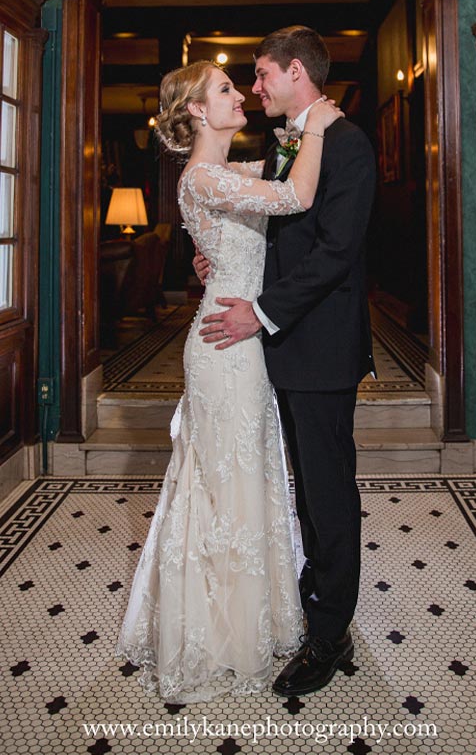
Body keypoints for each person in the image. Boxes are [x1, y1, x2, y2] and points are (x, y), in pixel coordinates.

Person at [116, 59, 343, 703]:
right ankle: (215, 631)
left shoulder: (225, 173)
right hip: (224, 345)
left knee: (247, 477)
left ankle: (252, 613)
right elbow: (294, 196)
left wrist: (299, 134)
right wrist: (319, 126)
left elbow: (269, 184)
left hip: (244, 334)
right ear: (195, 111)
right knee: (223, 483)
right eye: (224, 89)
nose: (239, 94)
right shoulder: (204, 175)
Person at [197, 26, 376, 697]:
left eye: (264, 74)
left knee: (328, 492)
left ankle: (330, 634)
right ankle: (313, 594)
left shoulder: (347, 143)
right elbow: (280, 234)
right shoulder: (289, 146)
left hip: (322, 349)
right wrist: (225, 264)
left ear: (297, 72)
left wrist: (260, 312)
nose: (256, 86)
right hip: (287, 345)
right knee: (304, 483)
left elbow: (335, 252)